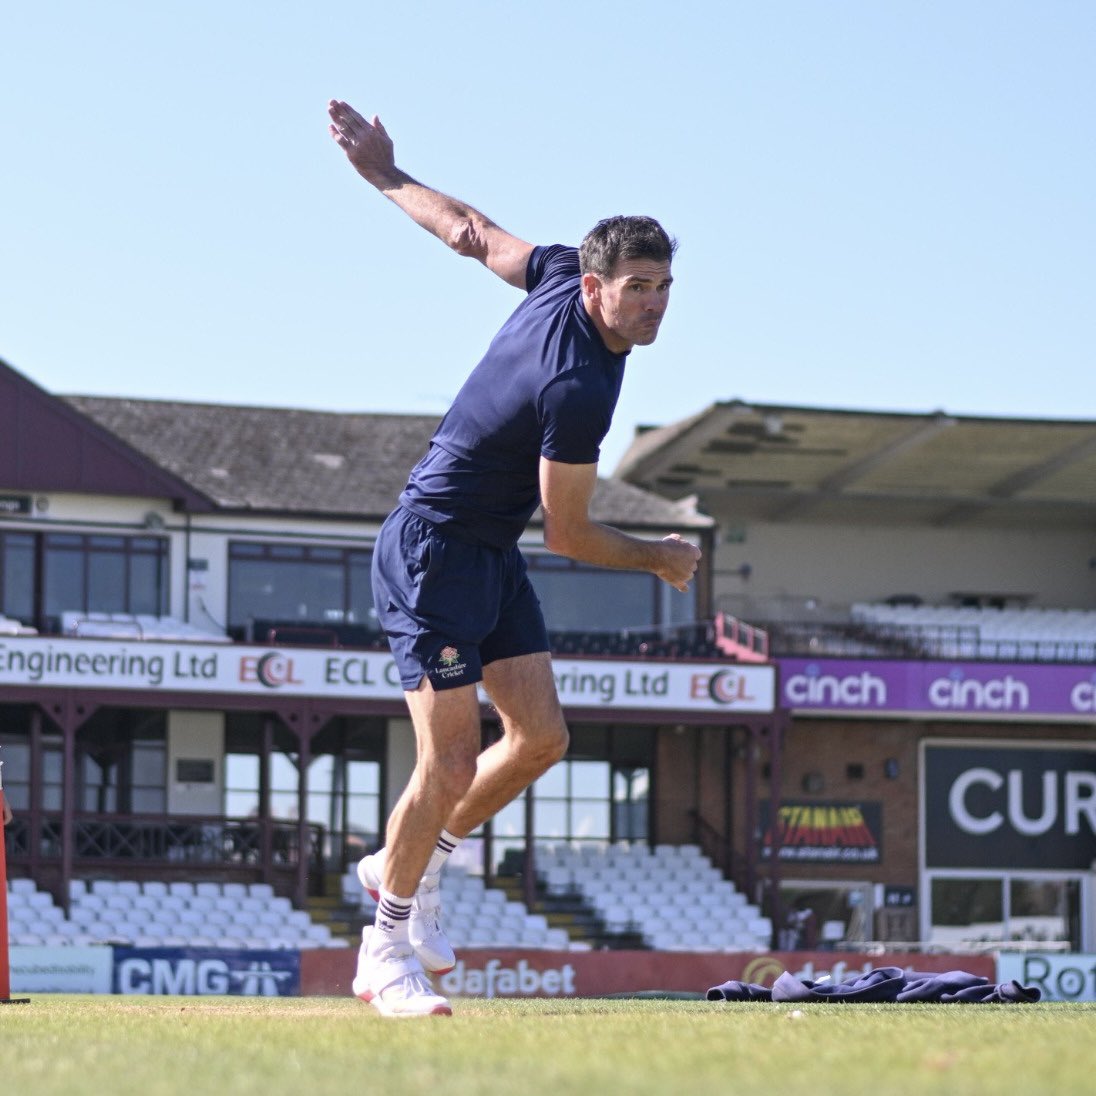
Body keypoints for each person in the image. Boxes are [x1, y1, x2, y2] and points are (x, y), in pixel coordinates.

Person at [327, 99, 701, 1017]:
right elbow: (569, 533)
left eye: (664, 286)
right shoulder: (577, 389)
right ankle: (383, 949)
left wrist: (385, 174)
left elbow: (469, 231)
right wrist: (657, 557)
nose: (652, 304)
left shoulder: (558, 273)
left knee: (540, 741)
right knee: (449, 765)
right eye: (638, 287)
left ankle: (402, 860)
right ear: (595, 286)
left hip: (488, 552)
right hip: (430, 551)